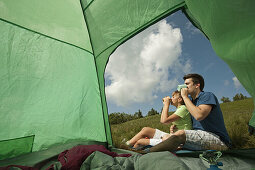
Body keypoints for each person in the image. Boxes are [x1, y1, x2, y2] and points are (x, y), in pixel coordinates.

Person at [147, 73, 231, 153]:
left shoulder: (207, 96)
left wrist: (184, 96)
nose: (184, 87)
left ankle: (148, 152)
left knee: (180, 134)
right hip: (199, 137)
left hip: (217, 139)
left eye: (187, 84)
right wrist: (167, 102)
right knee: (167, 137)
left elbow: (199, 116)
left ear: (197, 85)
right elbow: (175, 105)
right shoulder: (190, 100)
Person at [126, 90, 192, 149]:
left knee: (140, 141)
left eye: (173, 97)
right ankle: (127, 145)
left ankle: (130, 152)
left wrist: (166, 105)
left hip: (179, 141)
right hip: (173, 136)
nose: (171, 98)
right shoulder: (179, 109)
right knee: (145, 130)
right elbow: (163, 120)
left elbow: (164, 121)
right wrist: (172, 130)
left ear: (179, 99)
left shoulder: (183, 108)